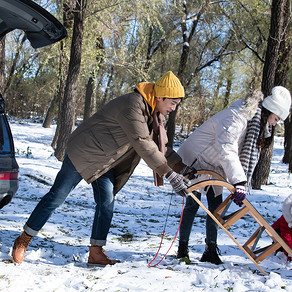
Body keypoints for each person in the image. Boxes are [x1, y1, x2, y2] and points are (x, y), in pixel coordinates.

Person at [11, 71, 196, 266]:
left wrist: (182, 168)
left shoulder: (153, 114)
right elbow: (142, 142)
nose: (173, 109)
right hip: (84, 152)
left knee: (106, 202)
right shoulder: (133, 104)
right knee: (57, 196)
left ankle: (96, 252)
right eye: (173, 103)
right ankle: (24, 238)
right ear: (160, 97)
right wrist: (168, 173)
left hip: (105, 161)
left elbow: (161, 147)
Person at [176, 86, 292, 264]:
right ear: (269, 111)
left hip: (216, 166)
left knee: (216, 209)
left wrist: (239, 181)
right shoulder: (236, 117)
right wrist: (239, 181)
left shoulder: (255, 124)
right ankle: (182, 249)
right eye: (276, 118)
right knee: (192, 205)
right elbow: (227, 149)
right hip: (196, 160)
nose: (275, 123)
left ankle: (211, 250)